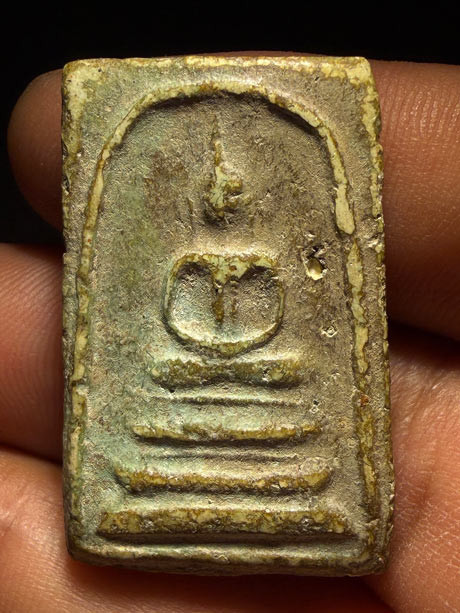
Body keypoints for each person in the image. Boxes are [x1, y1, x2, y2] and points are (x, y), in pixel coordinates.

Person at [2, 57, 460, 612]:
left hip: (262, 373)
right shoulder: (188, 259)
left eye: (232, 190)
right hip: (186, 370)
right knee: (170, 382)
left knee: (285, 381)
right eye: (218, 191)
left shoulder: (262, 251)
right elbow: (175, 319)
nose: (222, 202)